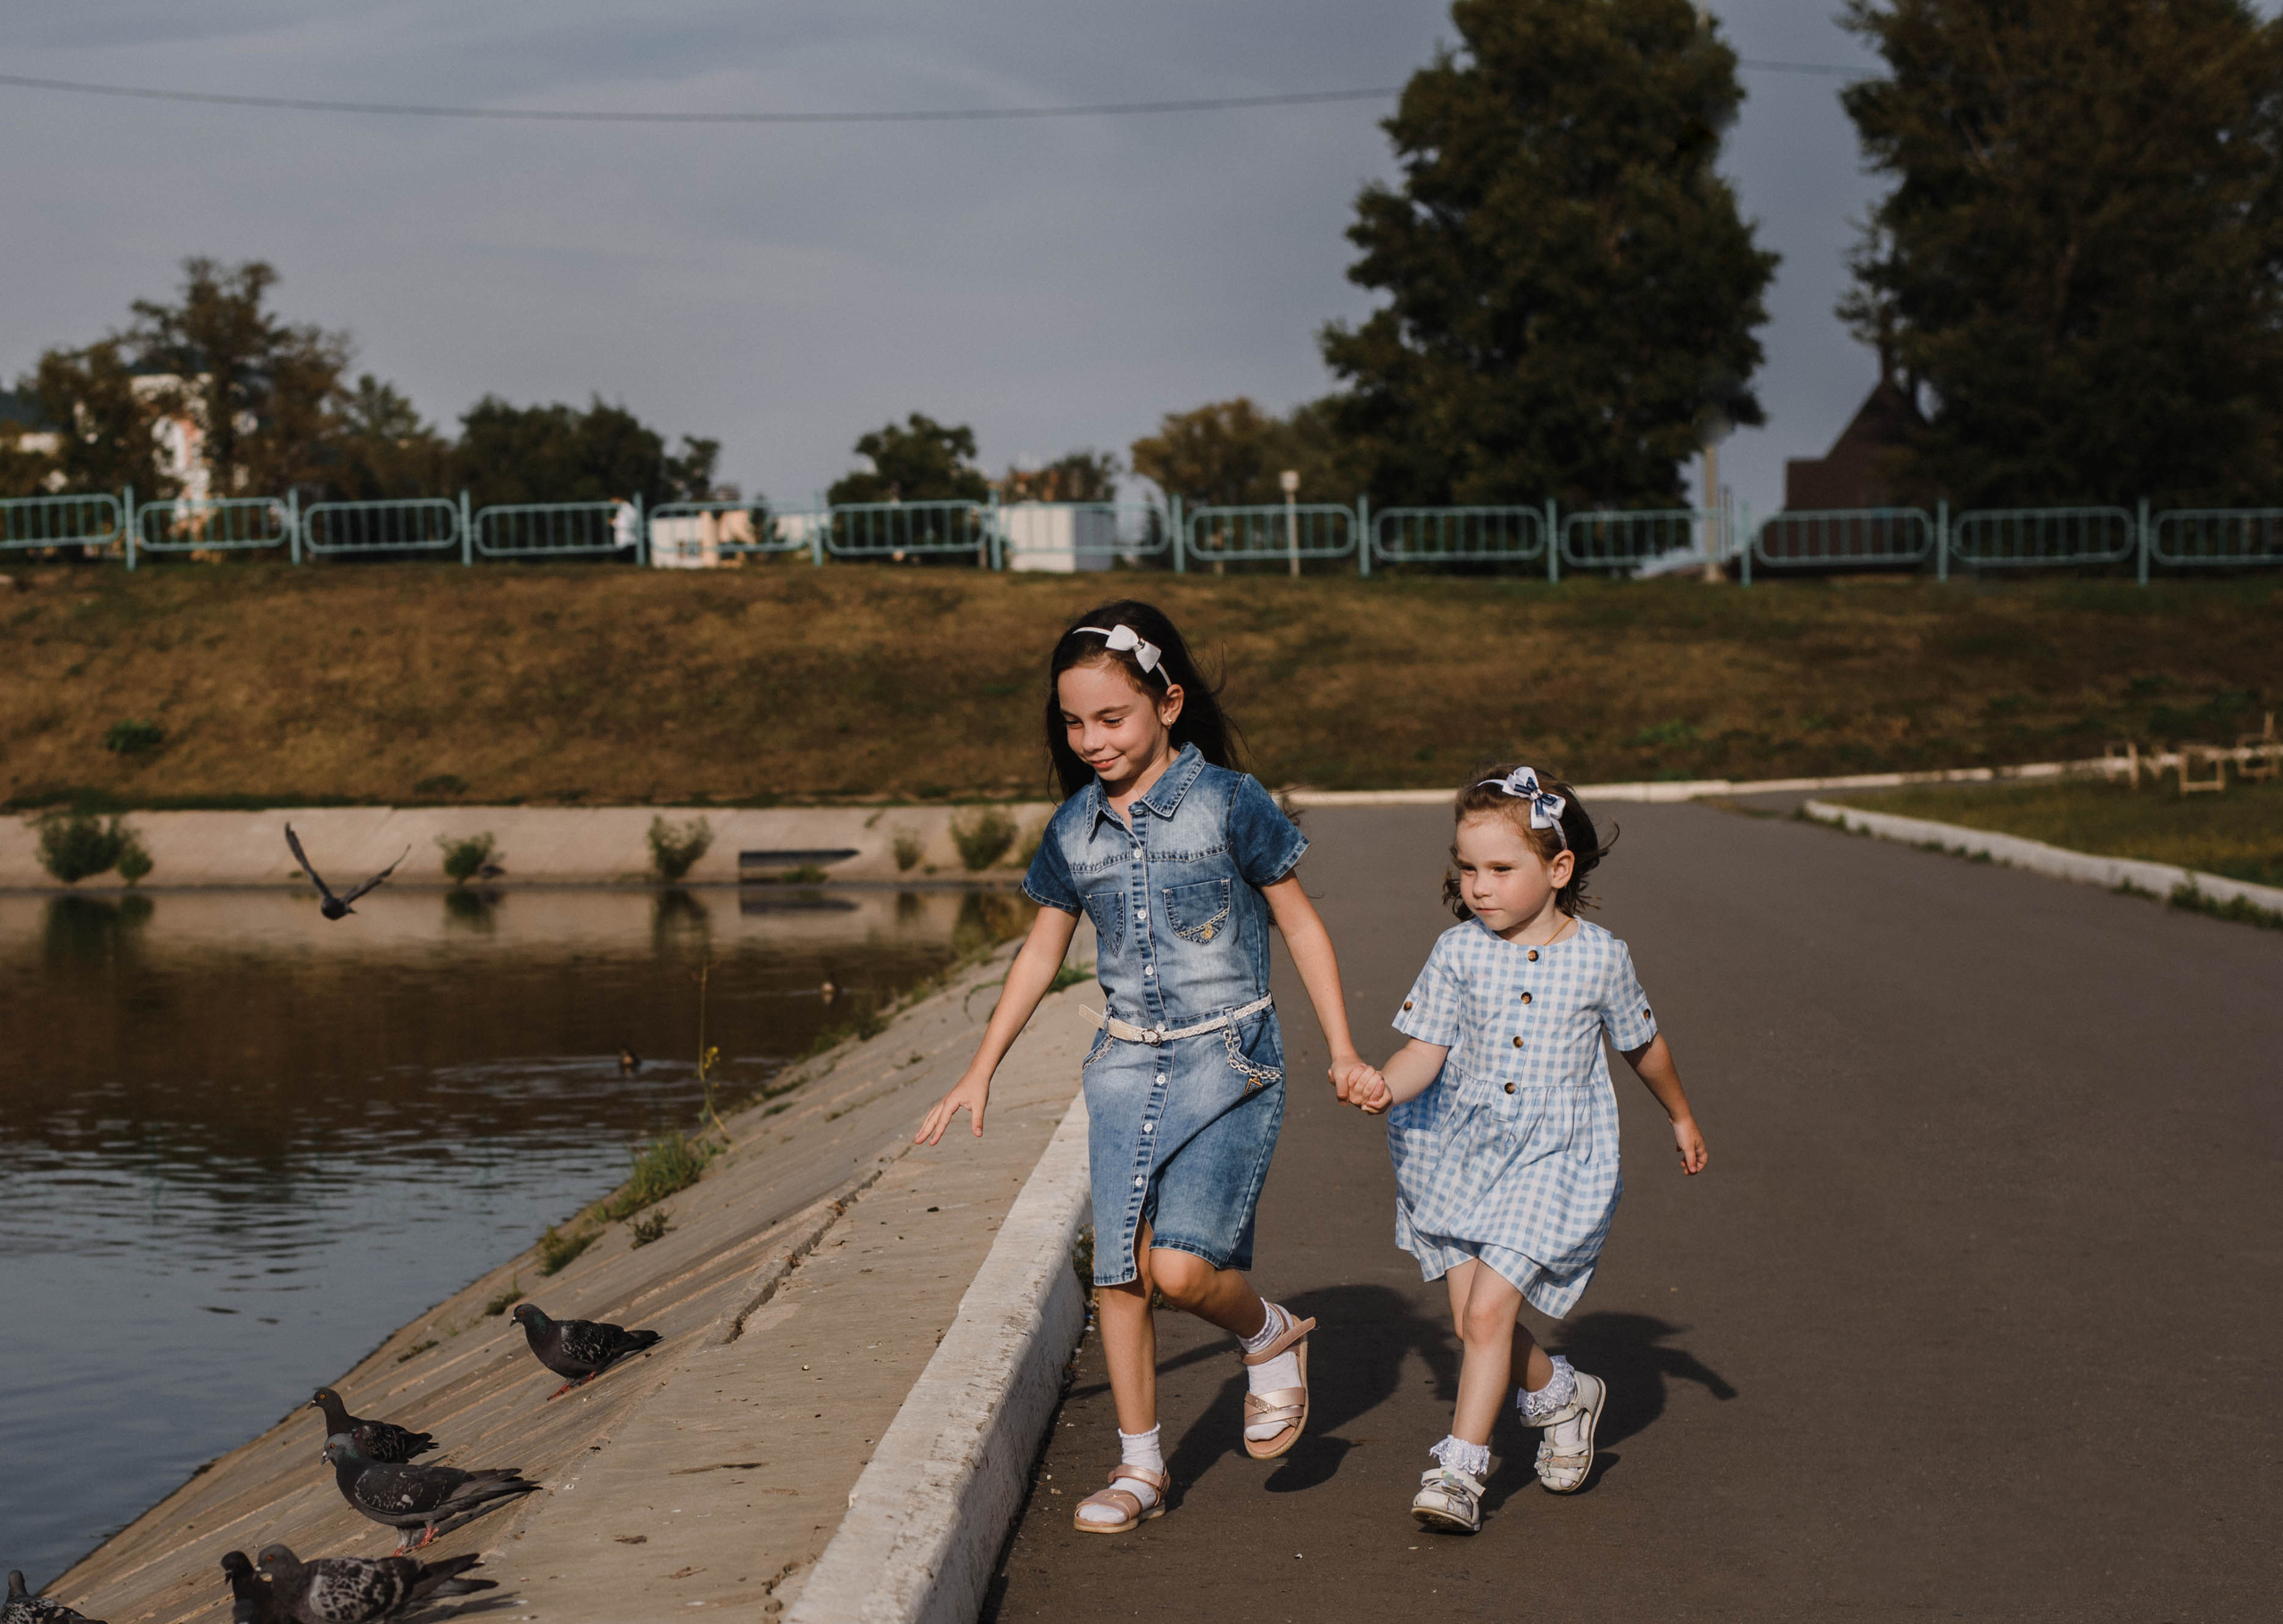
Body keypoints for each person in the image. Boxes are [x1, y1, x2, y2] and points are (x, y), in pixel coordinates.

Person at [917, 599, 1376, 1535]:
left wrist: (1341, 1048)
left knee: (1181, 1269)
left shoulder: (1229, 802)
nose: (1091, 740)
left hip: (1230, 1059)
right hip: (1125, 1067)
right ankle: (1140, 1468)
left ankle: (1267, 1332)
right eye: (1073, 723)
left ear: (1167, 705)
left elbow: (1298, 924)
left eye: (1111, 718)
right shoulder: (1072, 829)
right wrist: (980, 1067)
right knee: (1119, 1275)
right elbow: (1040, 952)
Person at [1345, 766, 1709, 1535]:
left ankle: (1459, 1471)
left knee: (1486, 1314)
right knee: (1478, 1324)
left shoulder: (1602, 957)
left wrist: (1680, 1115)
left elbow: (1642, 1044)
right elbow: (1425, 1050)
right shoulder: (1457, 951)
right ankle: (1563, 1397)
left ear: (1559, 868)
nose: (1479, 886)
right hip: (1457, 1149)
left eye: (1501, 869)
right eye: (1468, 868)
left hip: (1552, 1156)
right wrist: (1385, 1084)